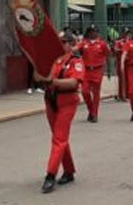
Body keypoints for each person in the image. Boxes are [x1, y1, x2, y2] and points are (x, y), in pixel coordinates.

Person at [35, 31, 85, 193]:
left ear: (71, 44)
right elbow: (39, 77)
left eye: (63, 42)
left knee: (59, 138)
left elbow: (73, 82)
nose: (60, 45)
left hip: (67, 101)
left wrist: (53, 82)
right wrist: (37, 67)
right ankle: (69, 170)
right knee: (60, 137)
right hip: (51, 100)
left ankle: (50, 175)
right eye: (59, 42)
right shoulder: (54, 61)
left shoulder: (75, 61)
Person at [76, 25, 110, 123]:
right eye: (91, 32)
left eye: (95, 31)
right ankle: (91, 110)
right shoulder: (84, 43)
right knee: (85, 91)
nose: (93, 33)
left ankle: (94, 114)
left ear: (98, 33)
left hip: (97, 70)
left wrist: (108, 69)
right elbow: (76, 48)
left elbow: (107, 56)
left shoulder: (102, 44)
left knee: (95, 94)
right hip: (86, 70)